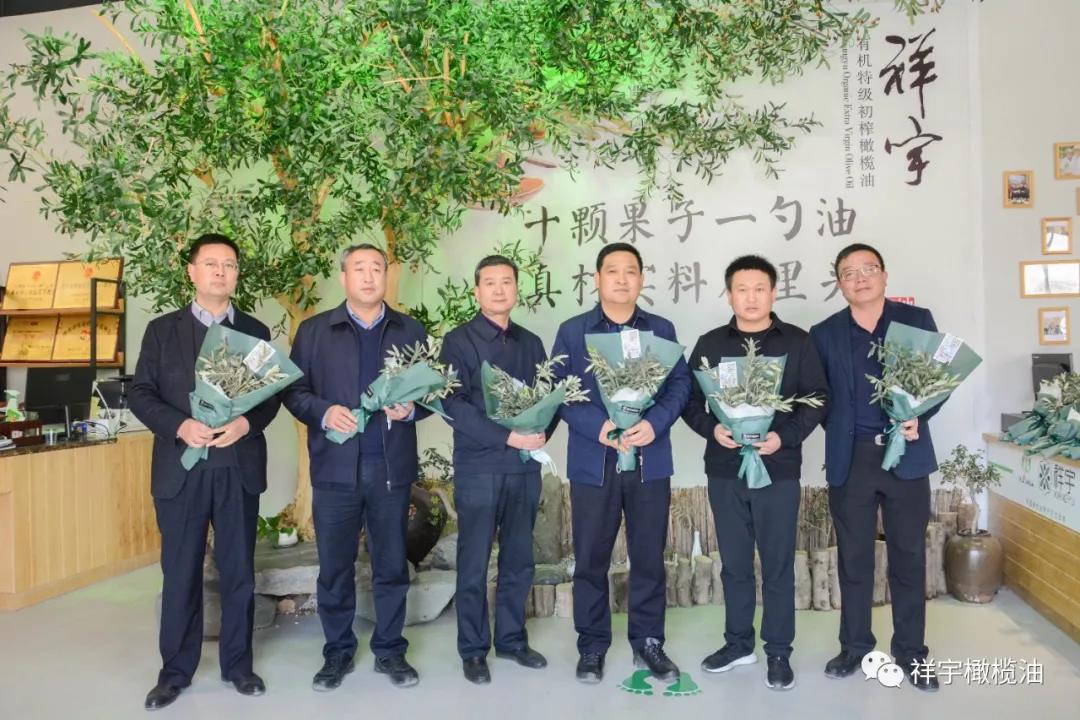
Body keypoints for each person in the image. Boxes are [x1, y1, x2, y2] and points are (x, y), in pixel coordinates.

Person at [130, 233, 281, 710]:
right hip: (181, 468)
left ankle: (239, 666)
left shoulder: (255, 331)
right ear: (192, 271)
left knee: (239, 572)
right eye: (211, 263)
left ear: (236, 275)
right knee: (180, 573)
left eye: (229, 264)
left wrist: (245, 423)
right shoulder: (162, 330)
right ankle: (174, 672)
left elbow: (270, 396)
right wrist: (180, 425)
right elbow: (140, 394)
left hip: (237, 465)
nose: (221, 271)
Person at [283, 243, 429, 691]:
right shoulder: (315, 331)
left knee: (391, 565)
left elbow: (433, 392)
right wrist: (324, 412)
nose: (368, 277)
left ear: (386, 276)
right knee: (334, 568)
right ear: (343, 277)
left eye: (376, 268)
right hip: (334, 470)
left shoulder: (409, 330)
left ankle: (390, 650)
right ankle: (337, 652)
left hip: (391, 469)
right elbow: (293, 392)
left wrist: (412, 409)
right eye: (359, 269)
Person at [682, 255, 828, 691]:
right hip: (725, 470)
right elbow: (688, 400)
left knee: (778, 565)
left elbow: (818, 398)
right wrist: (712, 429)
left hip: (777, 471)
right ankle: (738, 643)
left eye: (759, 289)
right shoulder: (710, 344)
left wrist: (784, 437)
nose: (751, 297)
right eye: (742, 290)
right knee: (735, 564)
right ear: (729, 294)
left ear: (773, 292)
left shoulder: (798, 343)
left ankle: (778, 652)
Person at [551, 242, 691, 685]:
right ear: (597, 279)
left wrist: (654, 423)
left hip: (650, 459)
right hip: (594, 461)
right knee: (591, 557)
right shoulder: (573, 332)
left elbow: (680, 384)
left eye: (631, 271)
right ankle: (592, 645)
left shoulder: (660, 329)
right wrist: (599, 427)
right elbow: (560, 393)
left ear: (642, 280)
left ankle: (648, 642)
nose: (622, 279)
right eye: (613, 271)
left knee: (648, 556)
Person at [809, 242, 943, 692]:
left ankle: (911, 652)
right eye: (849, 273)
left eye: (868, 269)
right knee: (854, 560)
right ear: (839, 284)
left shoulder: (916, 321)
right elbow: (819, 398)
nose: (860, 278)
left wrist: (919, 416)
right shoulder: (824, 333)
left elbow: (937, 382)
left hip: (907, 455)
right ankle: (854, 647)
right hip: (853, 459)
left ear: (885, 275)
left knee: (908, 558)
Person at [439, 255, 556, 684]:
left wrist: (540, 434)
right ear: (477, 291)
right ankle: (473, 650)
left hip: (524, 468)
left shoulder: (532, 343)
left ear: (516, 289)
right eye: (490, 282)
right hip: (479, 467)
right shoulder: (457, 341)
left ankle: (511, 640)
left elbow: (549, 398)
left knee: (519, 558)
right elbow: (453, 405)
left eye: (507, 281)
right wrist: (507, 436)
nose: (499, 289)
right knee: (473, 561)